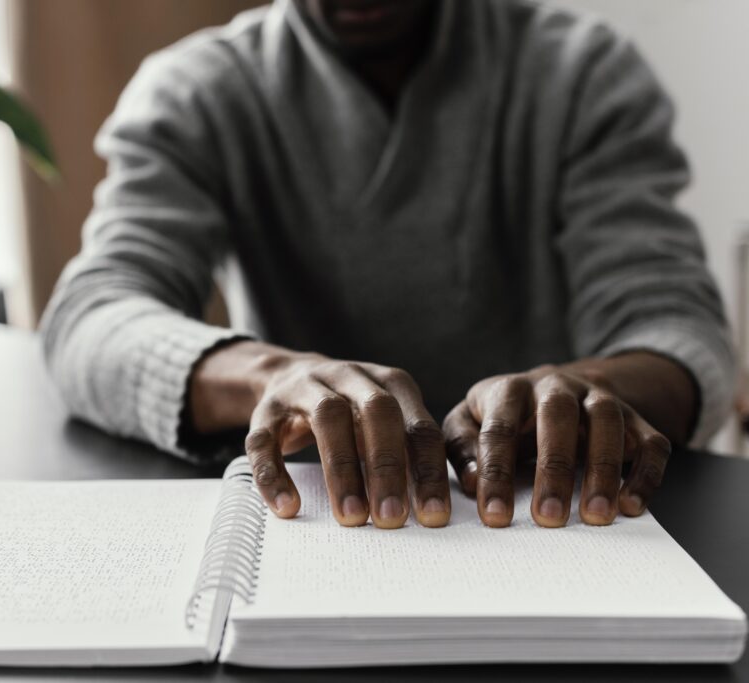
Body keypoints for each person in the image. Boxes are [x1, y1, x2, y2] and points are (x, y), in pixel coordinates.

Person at [41, 0, 734, 530]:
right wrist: (267, 374)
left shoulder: (580, 72)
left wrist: (585, 389)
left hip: (548, 513)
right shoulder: (199, 90)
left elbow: (678, 327)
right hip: (319, 517)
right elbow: (89, 315)